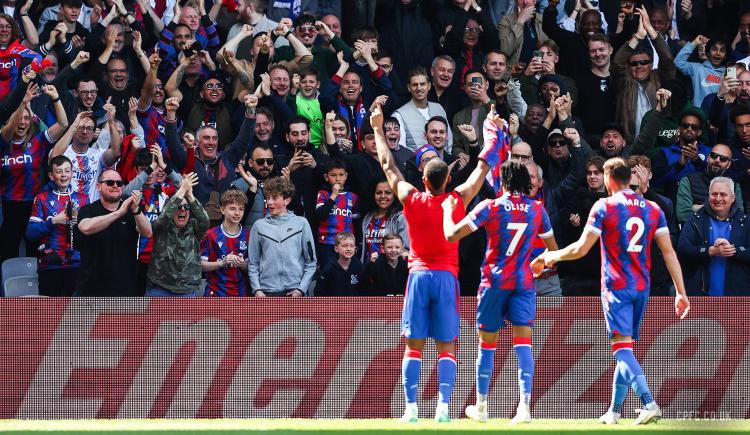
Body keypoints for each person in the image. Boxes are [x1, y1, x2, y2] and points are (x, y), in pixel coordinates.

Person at [532, 157, 690, 425]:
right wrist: (680, 292)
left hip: (616, 286)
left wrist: (551, 257)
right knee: (625, 348)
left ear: (609, 180)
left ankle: (649, 402)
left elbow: (581, 248)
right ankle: (614, 411)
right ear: (629, 178)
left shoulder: (604, 205)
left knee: (621, 351)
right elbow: (668, 251)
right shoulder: (653, 208)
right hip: (642, 288)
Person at [372, 101, 498, 423]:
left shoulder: (412, 199)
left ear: (423, 180)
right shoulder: (455, 201)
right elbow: (482, 170)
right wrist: (493, 136)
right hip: (445, 278)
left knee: (413, 347)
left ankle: (411, 409)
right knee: (447, 346)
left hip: (417, 276)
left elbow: (388, 165)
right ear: (448, 178)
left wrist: (376, 126)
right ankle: (443, 407)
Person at [442, 159, 556, 424]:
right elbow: (553, 250)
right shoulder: (538, 209)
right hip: (523, 283)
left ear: (503, 181)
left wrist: (448, 210)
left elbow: (451, 235)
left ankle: (481, 407)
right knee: (523, 345)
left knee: (487, 345)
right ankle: (525, 407)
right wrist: (540, 262)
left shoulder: (490, 207)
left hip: (494, 282)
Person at [75, 170, 153, 296]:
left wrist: (136, 210)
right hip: (91, 288)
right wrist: (119, 213)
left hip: (125, 289)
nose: (115, 186)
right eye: (110, 182)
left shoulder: (131, 210)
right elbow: (85, 228)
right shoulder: (88, 210)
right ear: (99, 187)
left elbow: (147, 233)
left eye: (119, 183)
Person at [25, 155, 89, 296]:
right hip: (49, 265)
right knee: (50, 314)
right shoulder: (42, 198)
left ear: (72, 173)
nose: (64, 175)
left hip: (77, 264)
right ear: (51, 176)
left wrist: (79, 223)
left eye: (67, 171)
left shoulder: (83, 199)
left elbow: (91, 234)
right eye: (59, 171)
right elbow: (30, 233)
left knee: (74, 313)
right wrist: (53, 221)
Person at [677, 177, 750, 296]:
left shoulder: (746, 222)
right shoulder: (695, 219)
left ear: (732, 198)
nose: (718, 198)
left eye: (723, 194)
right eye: (714, 194)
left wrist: (734, 251)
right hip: (700, 294)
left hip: (738, 296)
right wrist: (709, 250)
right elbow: (682, 250)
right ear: (708, 195)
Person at [248, 176, 316, 297]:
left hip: (295, 290)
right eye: (267, 198)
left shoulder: (302, 223)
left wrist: (301, 289)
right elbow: (253, 263)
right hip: (267, 291)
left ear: (287, 200)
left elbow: (311, 262)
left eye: (274, 198)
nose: (269, 202)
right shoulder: (258, 226)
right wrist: (257, 289)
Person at [147, 172, 210, 297]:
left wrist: (190, 195)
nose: (183, 210)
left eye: (186, 207)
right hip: (160, 287)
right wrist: (182, 190)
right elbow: (164, 217)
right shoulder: (163, 226)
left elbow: (205, 220)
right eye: (178, 207)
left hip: (186, 290)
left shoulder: (194, 227)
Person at [201, 189, 252, 297]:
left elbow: (255, 269)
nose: (237, 213)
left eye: (241, 209)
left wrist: (242, 264)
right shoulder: (210, 235)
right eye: (232, 209)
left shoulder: (249, 235)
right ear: (222, 210)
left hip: (241, 293)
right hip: (215, 293)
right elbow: (200, 265)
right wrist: (221, 263)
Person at [315, 160, 360, 268]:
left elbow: (356, 221)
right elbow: (321, 215)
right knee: (328, 272)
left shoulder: (352, 197)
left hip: (346, 243)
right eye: (333, 175)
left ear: (346, 176)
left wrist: (357, 242)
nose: (338, 179)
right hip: (327, 243)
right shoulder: (323, 194)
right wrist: (333, 196)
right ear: (326, 177)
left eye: (341, 175)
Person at [360, 177, 409, 264]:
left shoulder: (401, 217)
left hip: (390, 271)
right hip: (369, 270)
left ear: (395, 194)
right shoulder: (368, 217)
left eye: (388, 192)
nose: (383, 196)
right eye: (378, 192)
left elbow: (406, 249)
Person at [316, 231, 362, 296]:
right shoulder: (329, 268)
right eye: (344, 246)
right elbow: (319, 291)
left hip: (354, 305)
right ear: (336, 249)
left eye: (352, 246)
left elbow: (363, 288)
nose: (348, 249)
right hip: (333, 305)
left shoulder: (358, 266)